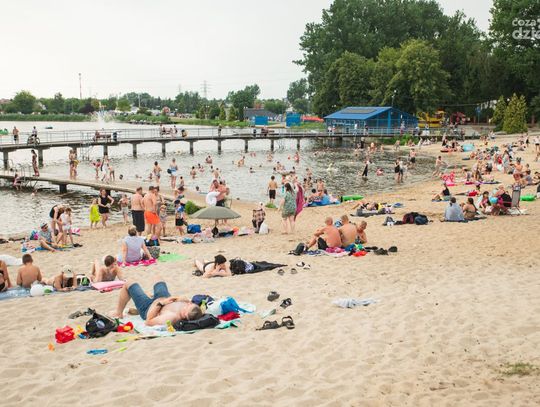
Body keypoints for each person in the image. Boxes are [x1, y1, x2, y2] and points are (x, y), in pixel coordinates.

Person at [112, 276, 203, 325]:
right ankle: (151, 296)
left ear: (185, 315)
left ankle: (119, 313)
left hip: (148, 307)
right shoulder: (189, 308)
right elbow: (191, 305)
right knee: (158, 278)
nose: (188, 304)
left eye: (187, 306)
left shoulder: (171, 317)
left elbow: (148, 321)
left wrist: (161, 304)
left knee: (128, 283)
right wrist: (180, 299)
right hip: (164, 297)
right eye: (189, 304)